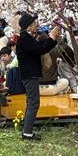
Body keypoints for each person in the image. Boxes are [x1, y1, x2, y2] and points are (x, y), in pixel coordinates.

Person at [15, 12, 60, 141]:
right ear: (29, 26)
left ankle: (27, 130)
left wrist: (52, 38)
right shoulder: (25, 39)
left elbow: (40, 47)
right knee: (34, 103)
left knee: (31, 102)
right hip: (30, 75)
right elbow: (41, 50)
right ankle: (27, 133)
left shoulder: (26, 38)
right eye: (34, 23)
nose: (36, 25)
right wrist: (51, 38)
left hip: (29, 74)